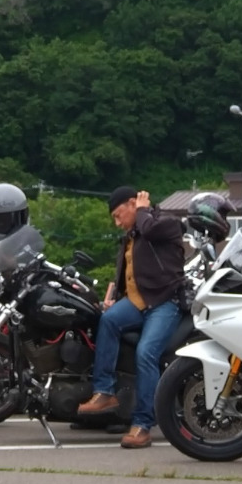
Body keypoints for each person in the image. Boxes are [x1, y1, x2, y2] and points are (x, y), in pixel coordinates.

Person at [77, 186, 186, 449]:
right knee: (107, 320)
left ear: (131, 204)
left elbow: (151, 230)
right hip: (137, 302)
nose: (117, 222)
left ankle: (143, 425)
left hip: (164, 302)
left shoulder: (166, 223)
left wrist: (143, 210)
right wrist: (113, 298)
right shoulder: (132, 234)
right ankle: (104, 391)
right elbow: (126, 271)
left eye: (118, 215)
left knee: (146, 353)